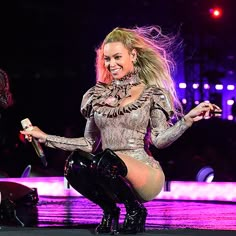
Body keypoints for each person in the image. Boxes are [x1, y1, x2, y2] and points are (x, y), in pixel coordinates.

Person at [20, 25, 222, 234]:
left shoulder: (152, 93)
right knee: (75, 163)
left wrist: (187, 120)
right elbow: (89, 144)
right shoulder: (97, 96)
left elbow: (160, 140)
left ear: (133, 55)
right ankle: (110, 211)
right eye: (107, 59)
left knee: (106, 159)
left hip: (144, 174)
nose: (111, 64)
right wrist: (44, 137)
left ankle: (135, 210)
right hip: (108, 172)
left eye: (117, 57)